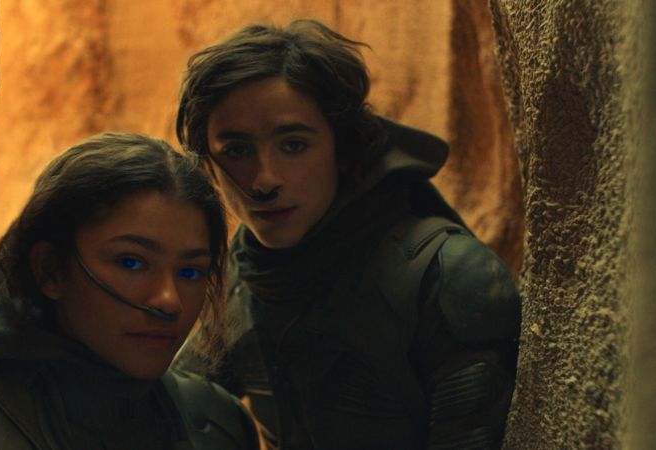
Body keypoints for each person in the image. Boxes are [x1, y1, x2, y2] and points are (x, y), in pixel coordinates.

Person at [174, 20, 521, 449]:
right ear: (209, 165)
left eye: (293, 145)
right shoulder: (241, 275)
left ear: (342, 147)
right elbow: (172, 411)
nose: (264, 180)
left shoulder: (446, 276)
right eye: (237, 151)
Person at [0, 133, 258, 450]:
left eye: (190, 272)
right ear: (50, 270)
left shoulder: (220, 423)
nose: (169, 301)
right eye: (131, 263)